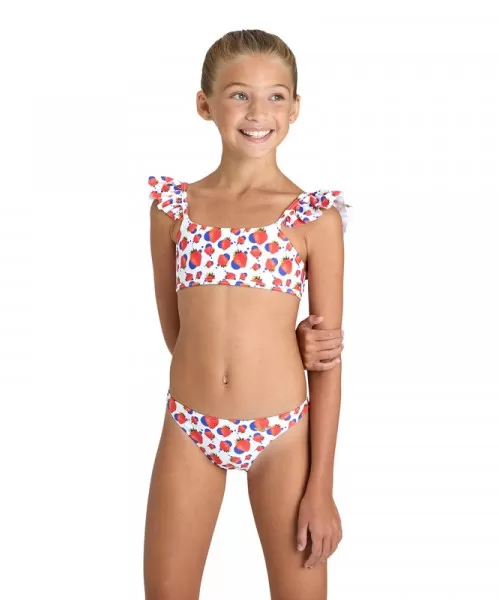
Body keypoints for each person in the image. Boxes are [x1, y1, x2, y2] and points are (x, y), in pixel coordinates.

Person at [145, 29, 351, 600]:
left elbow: (327, 362)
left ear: (295, 108)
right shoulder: (173, 209)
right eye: (239, 94)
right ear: (204, 103)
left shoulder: (313, 219)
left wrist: (321, 488)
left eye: (276, 97)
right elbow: (177, 332)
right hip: (190, 426)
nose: (258, 113)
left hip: (282, 435)